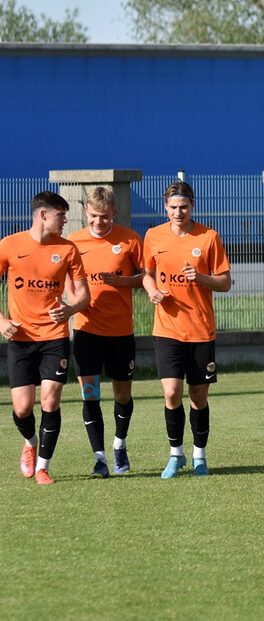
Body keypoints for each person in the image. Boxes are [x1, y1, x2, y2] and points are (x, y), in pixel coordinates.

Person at [142, 181, 232, 479]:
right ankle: (175, 455)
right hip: (167, 328)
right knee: (171, 393)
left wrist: (201, 277)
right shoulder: (153, 236)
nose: (178, 212)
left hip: (200, 330)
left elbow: (225, 282)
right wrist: (152, 290)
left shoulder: (209, 237)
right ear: (165, 207)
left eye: (183, 207)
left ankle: (199, 457)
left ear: (192, 206)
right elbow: (147, 274)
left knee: (198, 396)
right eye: (172, 207)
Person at [0, 191, 89, 484]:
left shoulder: (68, 249)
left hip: (55, 337)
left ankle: (43, 467)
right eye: (60, 215)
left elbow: (83, 296)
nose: (65, 220)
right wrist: (1, 321)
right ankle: (30, 442)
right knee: (23, 408)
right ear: (42, 215)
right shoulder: (9, 245)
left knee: (50, 400)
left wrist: (70, 308)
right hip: (21, 338)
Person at [68, 187, 144, 477]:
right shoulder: (73, 242)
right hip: (87, 331)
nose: (98, 222)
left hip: (121, 332)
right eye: (93, 216)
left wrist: (124, 282)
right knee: (90, 394)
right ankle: (99, 459)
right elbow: (63, 277)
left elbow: (148, 278)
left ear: (114, 213)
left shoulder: (130, 240)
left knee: (122, 395)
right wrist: (72, 303)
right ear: (86, 212)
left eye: (104, 216)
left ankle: (119, 445)